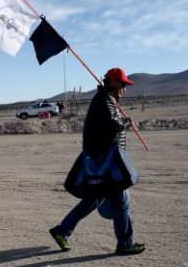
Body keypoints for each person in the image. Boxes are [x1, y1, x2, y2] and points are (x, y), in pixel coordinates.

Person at [49, 67, 145, 256]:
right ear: (114, 82)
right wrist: (126, 122)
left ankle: (62, 231)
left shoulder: (106, 99)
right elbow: (112, 125)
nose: (124, 89)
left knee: (94, 199)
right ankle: (125, 243)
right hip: (104, 160)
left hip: (100, 158)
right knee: (121, 200)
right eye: (123, 84)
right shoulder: (104, 100)